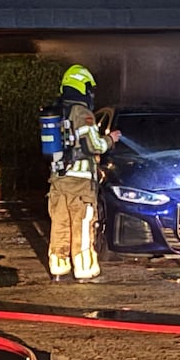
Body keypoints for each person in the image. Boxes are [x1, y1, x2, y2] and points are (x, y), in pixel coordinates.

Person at [47, 64, 120, 283]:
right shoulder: (81, 112)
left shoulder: (57, 111)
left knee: (60, 223)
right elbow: (92, 145)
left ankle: (58, 268)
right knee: (82, 224)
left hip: (58, 179)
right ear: (83, 87)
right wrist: (111, 139)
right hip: (80, 181)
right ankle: (85, 270)